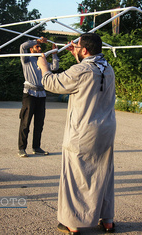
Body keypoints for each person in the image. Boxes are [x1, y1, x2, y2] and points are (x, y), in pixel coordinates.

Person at [37, 33, 116, 234]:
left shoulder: (80, 70)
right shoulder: (107, 68)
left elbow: (52, 83)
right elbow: (88, 73)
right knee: (103, 175)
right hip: (106, 130)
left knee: (74, 177)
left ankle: (72, 223)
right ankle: (107, 221)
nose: (74, 47)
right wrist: (77, 56)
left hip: (83, 131)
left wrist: (43, 66)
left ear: (85, 50)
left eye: (77, 46)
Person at [18, 38, 59, 158]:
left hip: (41, 95)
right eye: (37, 47)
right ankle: (22, 148)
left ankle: (36, 147)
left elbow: (55, 68)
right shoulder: (26, 59)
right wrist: (37, 40)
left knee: (39, 123)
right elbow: (22, 46)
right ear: (31, 49)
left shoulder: (43, 61)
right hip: (29, 94)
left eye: (40, 47)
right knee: (25, 123)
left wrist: (54, 55)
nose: (39, 48)